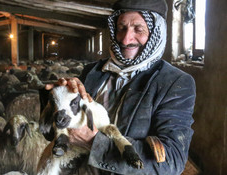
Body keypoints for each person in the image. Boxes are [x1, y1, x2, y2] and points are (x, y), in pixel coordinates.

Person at [44, 0, 196, 174]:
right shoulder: (92, 72)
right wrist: (55, 98)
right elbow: (50, 135)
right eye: (121, 28)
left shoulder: (174, 82)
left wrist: (93, 141)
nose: (126, 39)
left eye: (138, 29)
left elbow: (172, 161)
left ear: (157, 32)